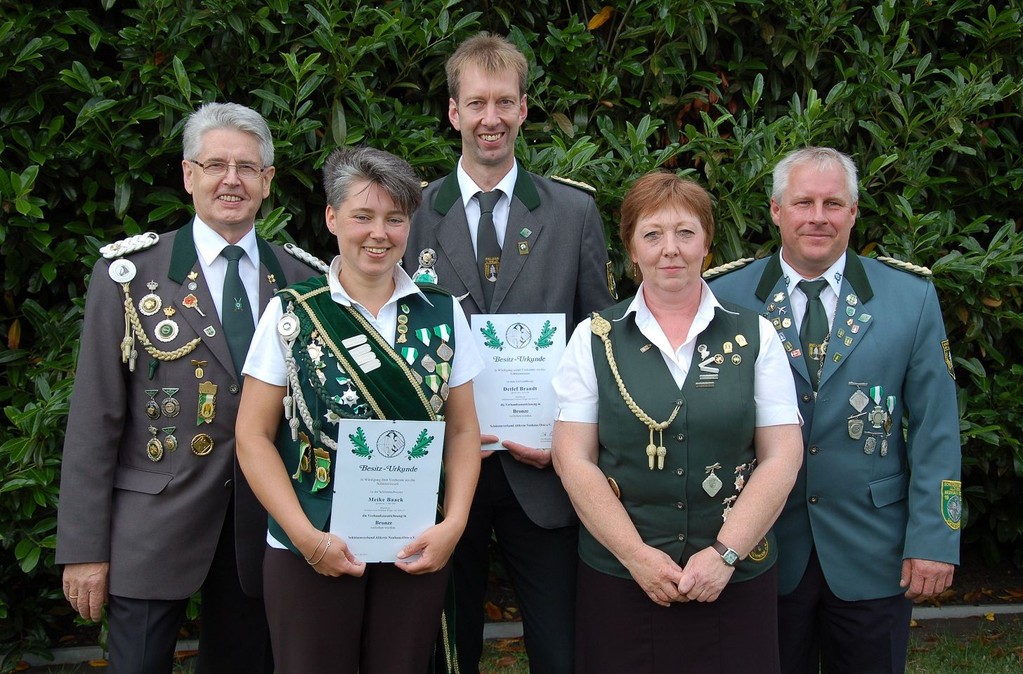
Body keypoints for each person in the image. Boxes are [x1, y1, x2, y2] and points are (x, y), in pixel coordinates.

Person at [55, 102, 325, 673]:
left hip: (262, 528)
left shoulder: (304, 282)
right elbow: (94, 420)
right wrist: (82, 550)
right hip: (154, 529)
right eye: (216, 164)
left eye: (248, 168)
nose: (232, 180)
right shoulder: (131, 276)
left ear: (268, 182)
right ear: (188, 175)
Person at [402, 32, 616, 674]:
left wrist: (579, 442)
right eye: (475, 103)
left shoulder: (573, 213)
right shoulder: (409, 217)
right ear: (453, 112)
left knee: (560, 645)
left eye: (503, 102)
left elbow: (599, 337)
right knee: (445, 649)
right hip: (440, 471)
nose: (489, 118)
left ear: (524, 109)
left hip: (543, 469)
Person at [707, 147, 962, 674]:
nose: (817, 217)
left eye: (832, 203)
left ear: (854, 212)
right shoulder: (725, 298)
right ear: (776, 210)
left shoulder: (908, 298)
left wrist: (936, 537)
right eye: (803, 202)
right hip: (762, 548)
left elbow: (936, 429)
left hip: (874, 549)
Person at [234, 146, 483, 673]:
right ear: (331, 218)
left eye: (395, 219)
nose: (379, 233)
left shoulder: (443, 313)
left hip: (415, 543)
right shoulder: (291, 314)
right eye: (363, 216)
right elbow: (252, 437)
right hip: (311, 539)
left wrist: (455, 523)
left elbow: (462, 432)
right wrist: (304, 537)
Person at [550, 171, 803, 673]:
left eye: (686, 233)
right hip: (622, 579)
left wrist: (725, 555)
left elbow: (782, 456)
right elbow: (572, 458)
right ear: (631, 248)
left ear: (707, 243)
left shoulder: (756, 335)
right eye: (652, 234)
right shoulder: (593, 338)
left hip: (734, 581)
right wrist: (636, 557)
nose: (671, 249)